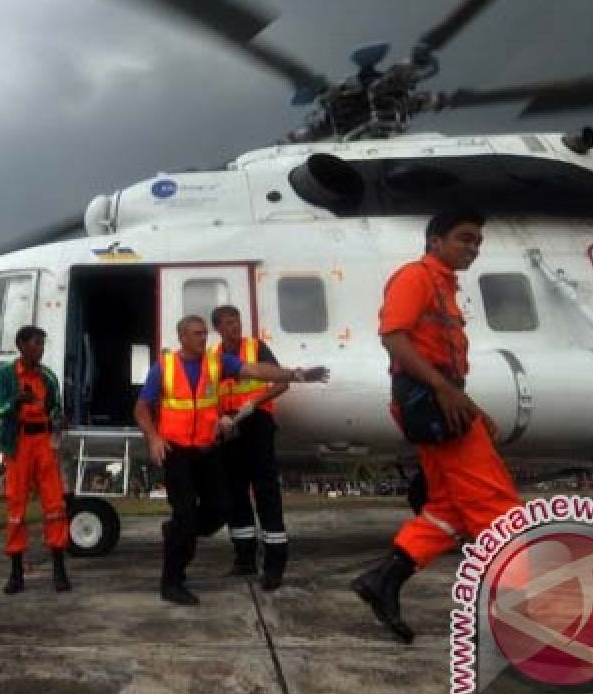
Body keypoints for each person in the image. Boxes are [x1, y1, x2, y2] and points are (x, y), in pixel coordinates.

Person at [352, 208, 520, 643]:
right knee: (495, 505)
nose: (473, 248)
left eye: (477, 242)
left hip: (441, 403)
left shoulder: (445, 286)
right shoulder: (416, 278)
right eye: (465, 239)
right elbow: (393, 337)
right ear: (436, 241)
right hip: (432, 402)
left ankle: (382, 581)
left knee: (446, 512)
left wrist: (470, 407)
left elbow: (446, 367)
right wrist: (445, 393)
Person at [134, 315, 327, 605]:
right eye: (197, 333)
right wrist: (153, 438)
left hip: (207, 450)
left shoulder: (217, 362)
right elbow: (141, 408)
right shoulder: (164, 366)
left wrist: (293, 375)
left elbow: (256, 371)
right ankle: (171, 581)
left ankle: (176, 531)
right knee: (185, 514)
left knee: (222, 508)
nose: (204, 338)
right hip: (177, 453)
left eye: (205, 333)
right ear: (182, 337)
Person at [210, 305, 317, 591]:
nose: (235, 327)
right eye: (228, 323)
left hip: (257, 422)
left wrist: (254, 403)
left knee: (265, 490)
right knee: (235, 490)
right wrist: (219, 416)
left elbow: (281, 382)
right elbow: (209, 392)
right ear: (218, 328)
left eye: (237, 321)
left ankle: (274, 565)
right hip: (229, 426)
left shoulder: (255, 347)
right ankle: (244, 558)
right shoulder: (214, 358)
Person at [0, 325, 71, 594]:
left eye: (42, 344)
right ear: (21, 345)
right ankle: (16, 574)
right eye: (35, 343)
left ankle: (59, 570)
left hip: (44, 443)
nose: (40, 349)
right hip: (19, 443)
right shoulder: (5, 375)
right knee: (16, 506)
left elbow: (56, 407)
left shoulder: (48, 377)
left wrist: (60, 418)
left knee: (55, 504)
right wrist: (16, 402)